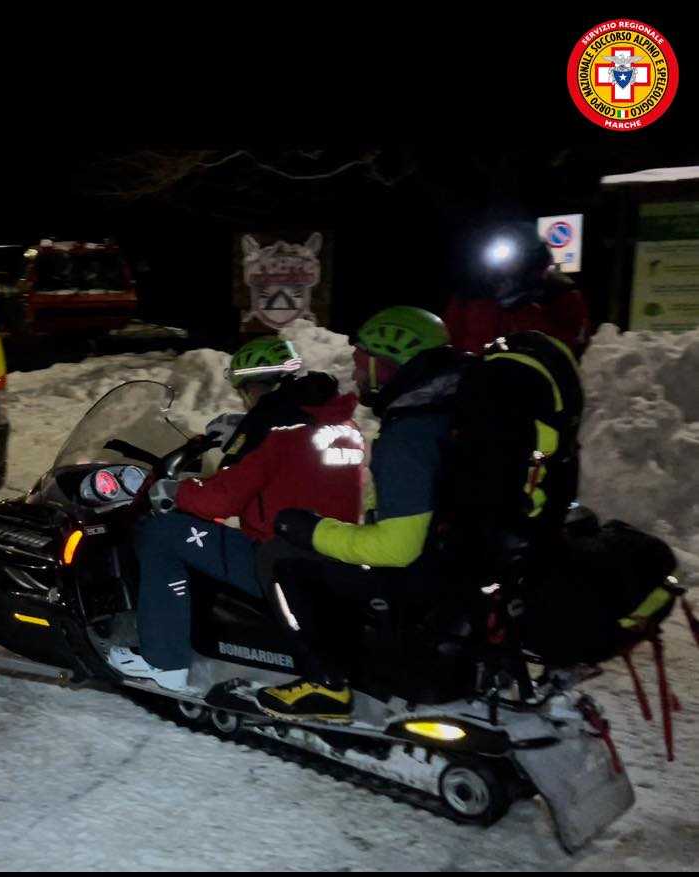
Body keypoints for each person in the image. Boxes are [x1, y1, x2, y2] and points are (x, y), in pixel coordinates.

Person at [108, 336, 365, 691]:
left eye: (245, 391)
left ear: (255, 386)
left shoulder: (273, 428)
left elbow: (221, 500)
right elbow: (295, 472)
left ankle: (165, 661)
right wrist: (243, 432)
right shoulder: (341, 424)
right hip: (332, 555)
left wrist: (176, 490)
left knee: (161, 534)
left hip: (278, 561)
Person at [252, 307, 469, 719]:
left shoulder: (409, 436)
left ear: (387, 362)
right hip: (450, 570)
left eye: (361, 359)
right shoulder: (445, 410)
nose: (355, 370)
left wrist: (312, 530)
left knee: (279, 554)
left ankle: (325, 683)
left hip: (416, 582)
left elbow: (397, 548)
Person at [443, 222, 591, 360]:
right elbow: (449, 336)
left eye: (515, 257)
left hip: (529, 377)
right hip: (474, 375)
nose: (506, 265)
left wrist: (524, 309)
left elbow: (568, 346)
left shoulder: (558, 293)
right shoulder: (474, 290)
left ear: (532, 259)